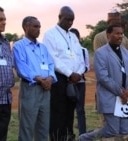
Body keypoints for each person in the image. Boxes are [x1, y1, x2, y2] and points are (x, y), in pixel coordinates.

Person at [79, 24, 128, 141]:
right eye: (117, 33)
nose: (120, 36)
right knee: (112, 131)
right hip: (111, 97)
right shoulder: (100, 53)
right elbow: (103, 77)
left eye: (121, 34)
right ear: (108, 35)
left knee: (124, 132)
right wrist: (120, 92)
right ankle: (84, 138)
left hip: (126, 99)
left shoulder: (126, 52)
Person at [42, 6, 85, 141]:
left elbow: (80, 57)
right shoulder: (50, 34)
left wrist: (78, 73)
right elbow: (52, 58)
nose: (70, 23)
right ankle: (57, 138)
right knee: (58, 113)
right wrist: (69, 73)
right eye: (67, 19)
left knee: (70, 112)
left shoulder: (73, 36)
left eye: (72, 20)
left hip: (74, 80)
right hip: (59, 79)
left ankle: (69, 136)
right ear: (59, 17)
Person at [13, 16, 57, 141]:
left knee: (43, 126)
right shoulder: (19, 46)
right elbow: (21, 67)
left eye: (39, 27)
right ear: (26, 27)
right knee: (27, 127)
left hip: (46, 90)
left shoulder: (43, 47)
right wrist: (39, 79)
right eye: (35, 26)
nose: (38, 29)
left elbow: (50, 64)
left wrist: (50, 78)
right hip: (30, 88)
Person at [0, 5, 15, 141]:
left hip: (5, 99)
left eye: (4, 19)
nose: (4, 22)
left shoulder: (6, 42)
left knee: (1, 136)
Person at [69, 28, 90, 135]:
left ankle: (83, 134)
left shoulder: (83, 50)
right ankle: (69, 133)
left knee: (80, 109)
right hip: (68, 83)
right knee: (68, 109)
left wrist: (78, 74)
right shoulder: (66, 50)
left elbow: (87, 67)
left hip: (80, 83)